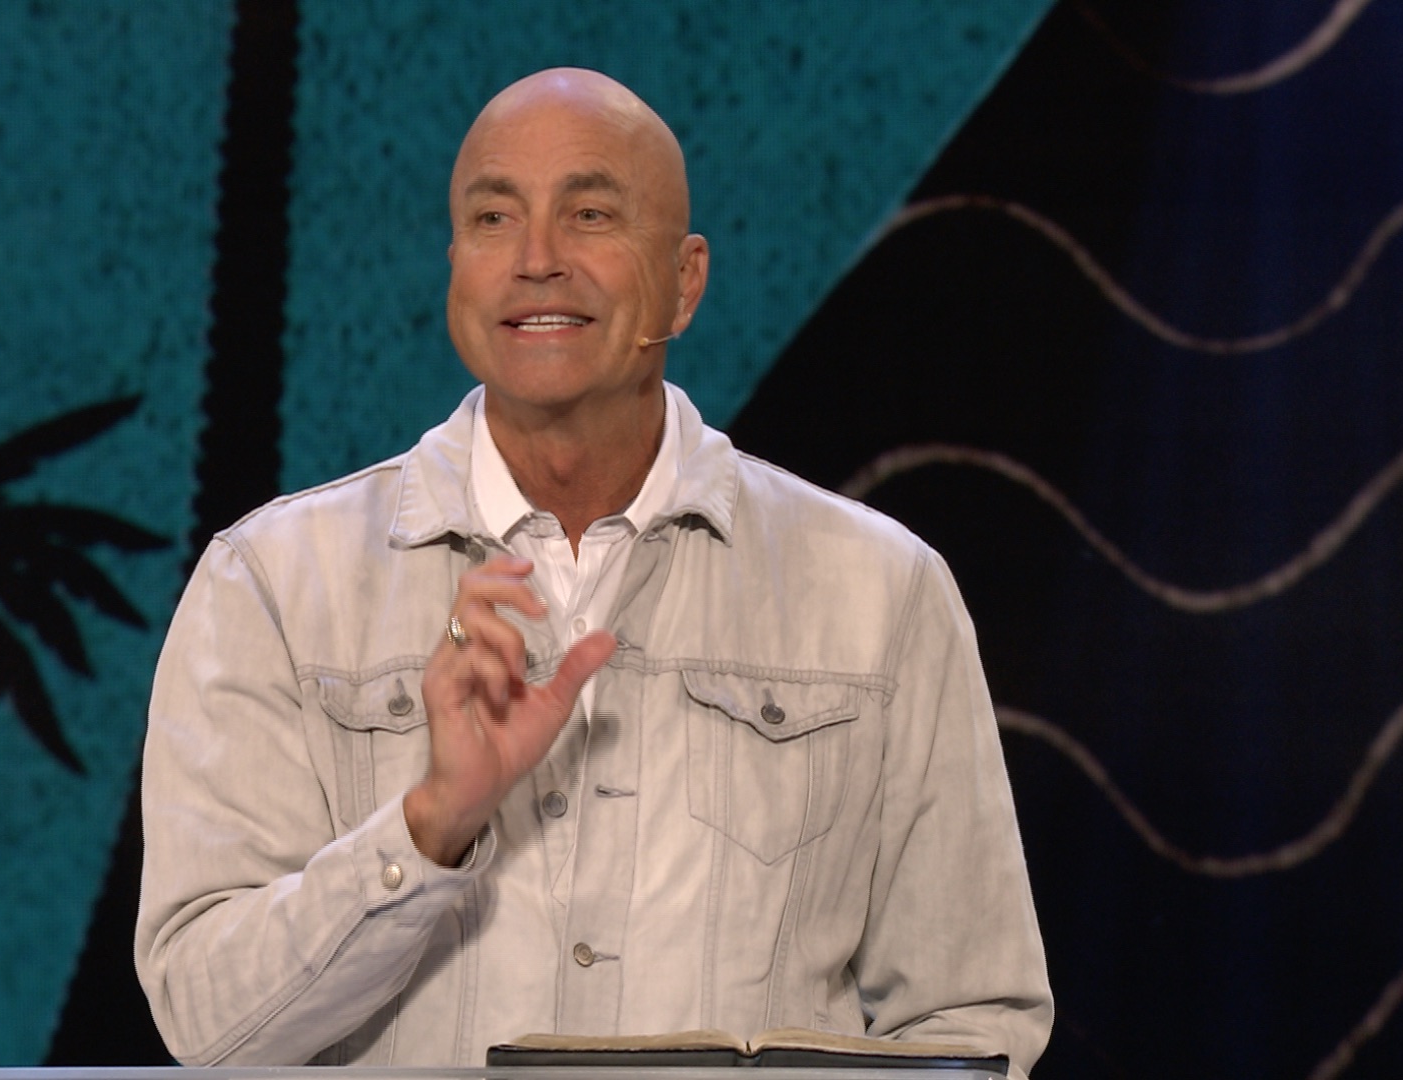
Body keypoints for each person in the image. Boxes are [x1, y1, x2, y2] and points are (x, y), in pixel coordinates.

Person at [136, 67, 1052, 1074]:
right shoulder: (271, 586)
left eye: (590, 215)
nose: (536, 260)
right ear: (456, 268)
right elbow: (209, 1029)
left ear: (684, 281)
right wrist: (428, 827)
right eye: (494, 218)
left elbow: (973, 1026)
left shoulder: (880, 592)